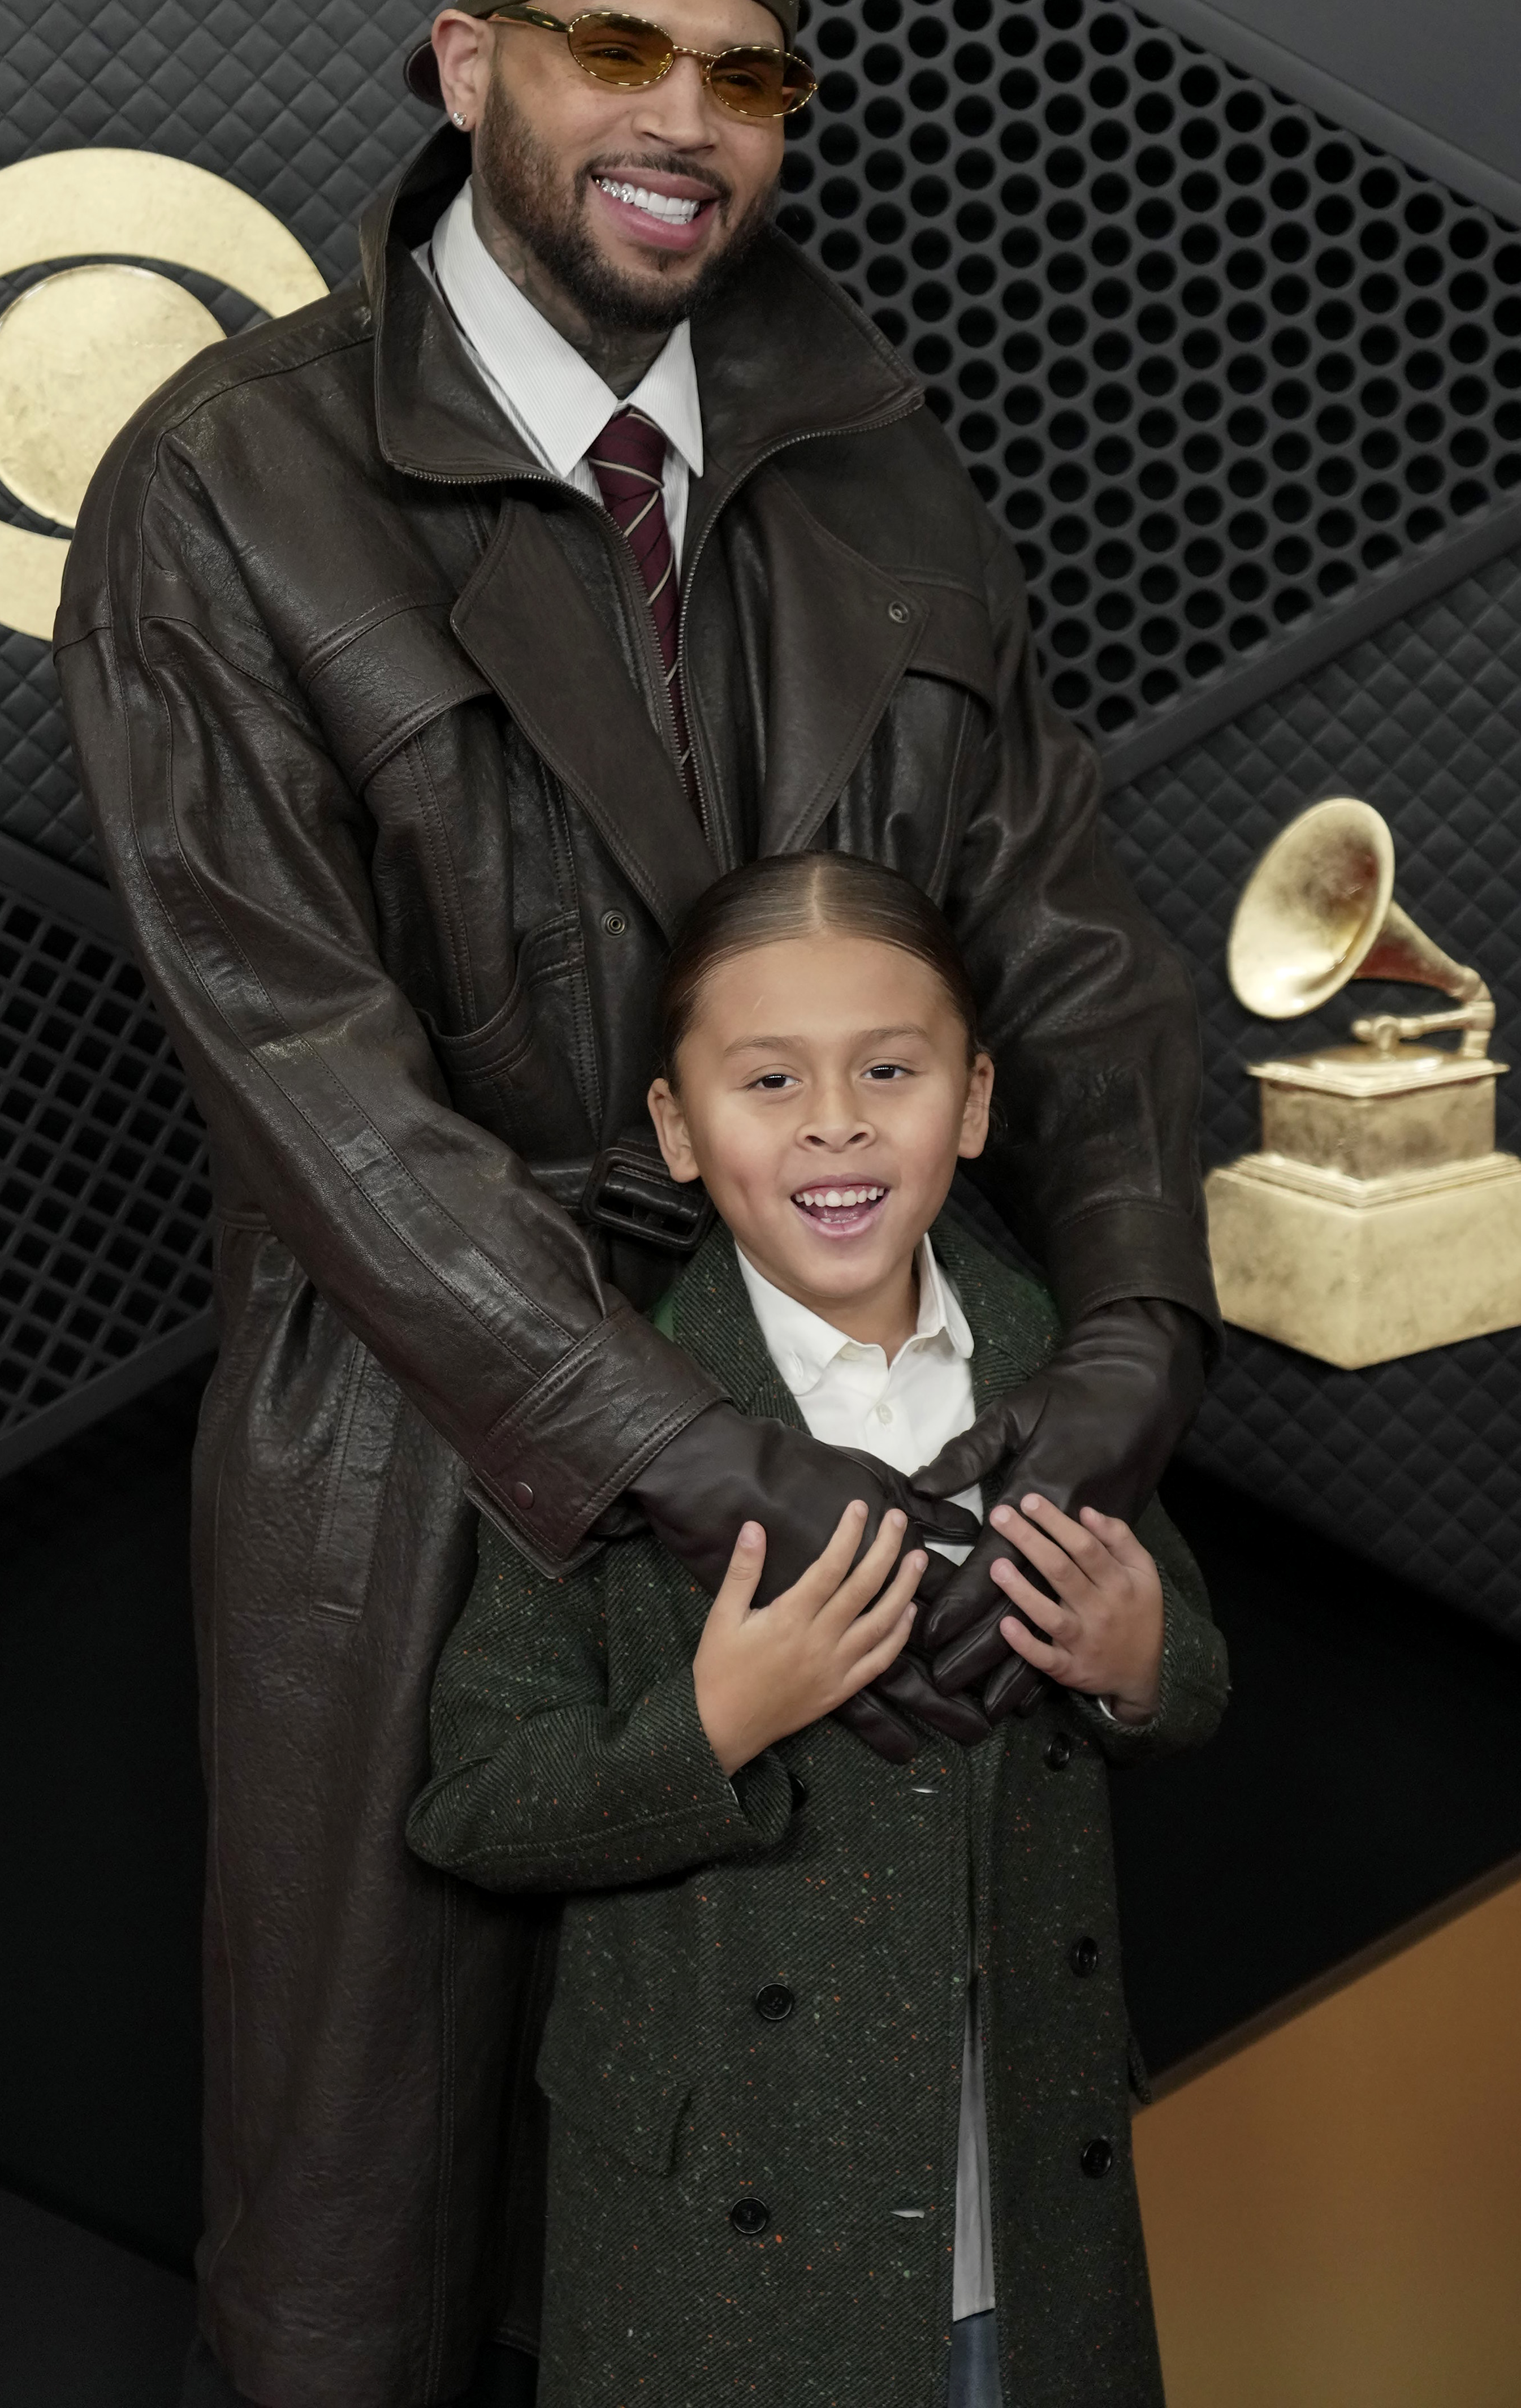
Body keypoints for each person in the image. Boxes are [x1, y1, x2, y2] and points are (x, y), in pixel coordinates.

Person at [57, 0, 1218, 2408]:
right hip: (428, 1458)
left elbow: (1081, 952)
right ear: (471, 64)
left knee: (833, 2171)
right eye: (614, 50)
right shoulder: (223, 484)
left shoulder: (883, 462)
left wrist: (1131, 1339)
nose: (682, 114)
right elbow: (313, 1091)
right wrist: (711, 1464)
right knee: (386, 2236)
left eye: (743, 71)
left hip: (879, 1430)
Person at [409, 854, 1229, 2408]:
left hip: (1019, 2212)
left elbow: (1187, 1669)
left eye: (890, 1071)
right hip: (730, 2240)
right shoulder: (631, 1410)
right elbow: (474, 1803)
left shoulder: (1046, 1359)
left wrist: (1138, 1661)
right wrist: (715, 1720)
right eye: (770, 1077)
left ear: (973, 1103)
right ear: (675, 1125)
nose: (835, 1121)